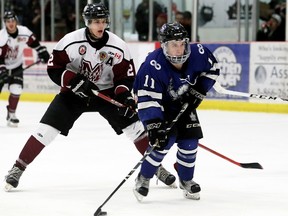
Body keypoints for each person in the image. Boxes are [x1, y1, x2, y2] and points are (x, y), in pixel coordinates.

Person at [4, 3, 175, 192]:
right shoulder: (70, 41)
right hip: (73, 94)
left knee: (135, 128)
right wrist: (73, 81)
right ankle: (18, 168)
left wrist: (125, 96)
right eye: (95, 22)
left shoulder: (118, 46)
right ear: (87, 23)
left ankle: (156, 167)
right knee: (46, 130)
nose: (100, 25)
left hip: (107, 93)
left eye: (103, 21)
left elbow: (125, 78)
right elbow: (54, 69)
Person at [133, 22, 220, 201]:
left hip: (183, 104)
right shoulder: (152, 65)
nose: (179, 49)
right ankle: (143, 178)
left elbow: (212, 69)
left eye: (182, 44)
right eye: (174, 44)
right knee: (162, 143)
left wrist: (198, 91)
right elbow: (147, 99)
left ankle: (186, 180)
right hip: (159, 107)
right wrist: (154, 125)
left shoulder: (198, 54)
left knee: (190, 142)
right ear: (164, 45)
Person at [0, 11, 50, 127]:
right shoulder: (1, 38)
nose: (11, 23)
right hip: (2, 67)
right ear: (5, 23)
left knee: (16, 89)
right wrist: (2, 71)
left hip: (16, 66)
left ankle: (11, 114)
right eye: (8, 21)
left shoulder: (24, 32)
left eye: (13, 21)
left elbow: (35, 43)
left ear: (16, 21)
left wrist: (42, 52)